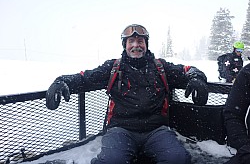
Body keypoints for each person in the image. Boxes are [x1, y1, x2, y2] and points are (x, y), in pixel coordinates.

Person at [46, 24, 209, 164]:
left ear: (146, 44)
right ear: (125, 45)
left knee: (178, 159)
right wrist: (62, 81)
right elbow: (85, 78)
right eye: (131, 41)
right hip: (121, 130)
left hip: (156, 130)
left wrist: (197, 79)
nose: (136, 45)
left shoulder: (160, 67)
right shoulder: (113, 68)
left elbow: (188, 71)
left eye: (140, 41)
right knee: (112, 161)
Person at [223, 18, 250, 164]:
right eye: (238, 50)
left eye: (241, 50)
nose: (240, 53)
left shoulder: (242, 62)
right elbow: (232, 113)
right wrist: (246, 149)